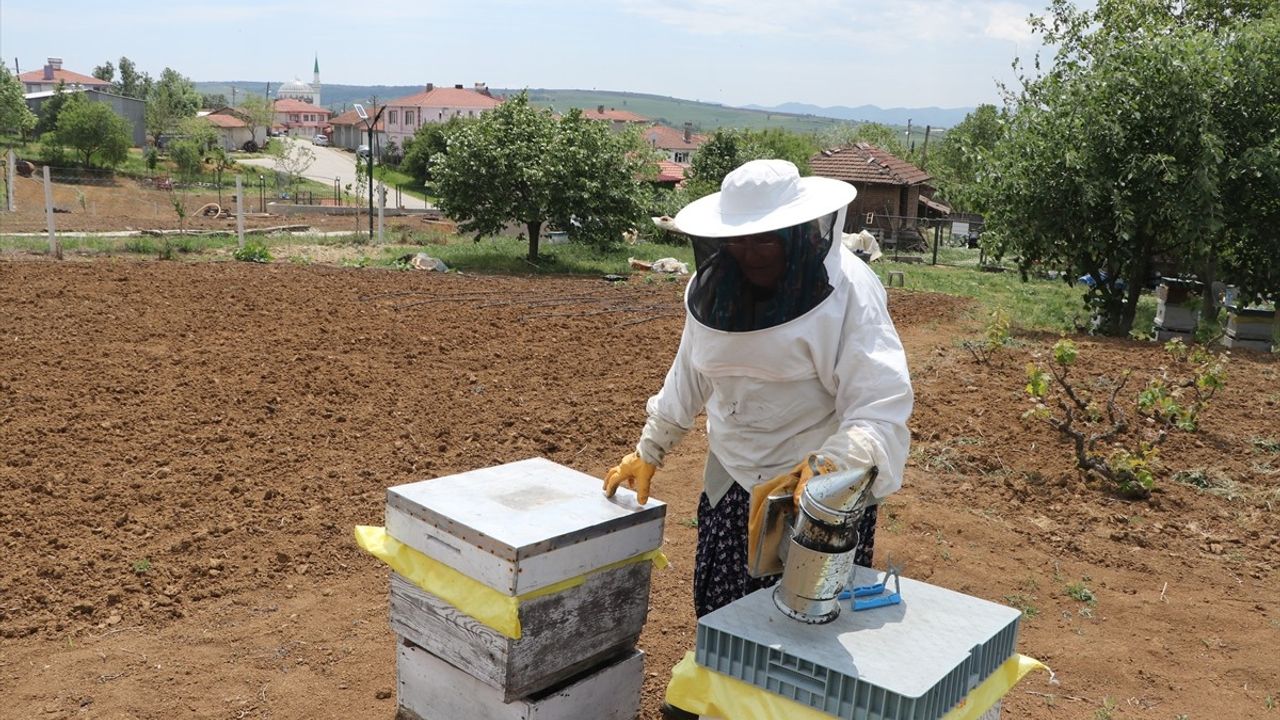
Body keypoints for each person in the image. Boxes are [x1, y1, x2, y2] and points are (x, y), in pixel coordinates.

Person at [603, 159, 914, 620]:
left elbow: (878, 404)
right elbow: (691, 370)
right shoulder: (714, 286)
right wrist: (650, 449)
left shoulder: (851, 291)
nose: (749, 254)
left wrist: (831, 466)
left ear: (798, 233)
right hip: (731, 480)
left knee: (806, 624)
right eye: (738, 240)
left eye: (765, 240)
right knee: (723, 616)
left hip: (813, 493)